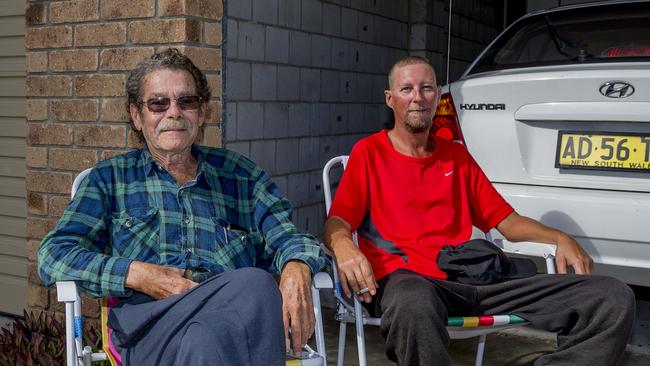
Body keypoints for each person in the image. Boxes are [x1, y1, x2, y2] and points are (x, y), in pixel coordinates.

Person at [324, 55, 635, 366]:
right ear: (390, 99)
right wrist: (342, 245)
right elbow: (338, 220)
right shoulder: (369, 153)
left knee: (612, 296)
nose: (417, 97)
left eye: (427, 88)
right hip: (409, 285)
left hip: (474, 281)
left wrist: (561, 238)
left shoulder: (456, 156)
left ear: (439, 95)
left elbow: (508, 222)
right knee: (413, 302)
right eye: (407, 89)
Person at [38, 48, 324, 366]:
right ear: (136, 115)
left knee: (207, 337)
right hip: (149, 324)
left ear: (201, 112)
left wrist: (297, 266)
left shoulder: (241, 176)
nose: (173, 112)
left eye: (186, 101)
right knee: (256, 284)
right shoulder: (111, 179)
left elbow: (288, 236)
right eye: (158, 103)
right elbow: (54, 255)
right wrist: (136, 274)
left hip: (228, 323)